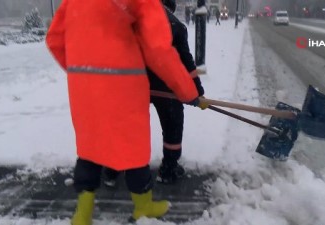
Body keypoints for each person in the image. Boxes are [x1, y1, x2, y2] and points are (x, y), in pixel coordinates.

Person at [45, 0, 203, 224]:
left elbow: (54, 40)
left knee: (90, 147)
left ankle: (82, 215)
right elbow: (158, 50)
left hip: (84, 89)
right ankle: (143, 206)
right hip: (124, 87)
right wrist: (188, 92)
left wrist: (84, 72)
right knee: (133, 148)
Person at [104, 0, 205, 186]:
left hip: (132, 87)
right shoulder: (176, 26)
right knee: (172, 125)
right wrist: (196, 92)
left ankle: (113, 169)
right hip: (165, 88)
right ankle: (168, 170)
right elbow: (186, 63)